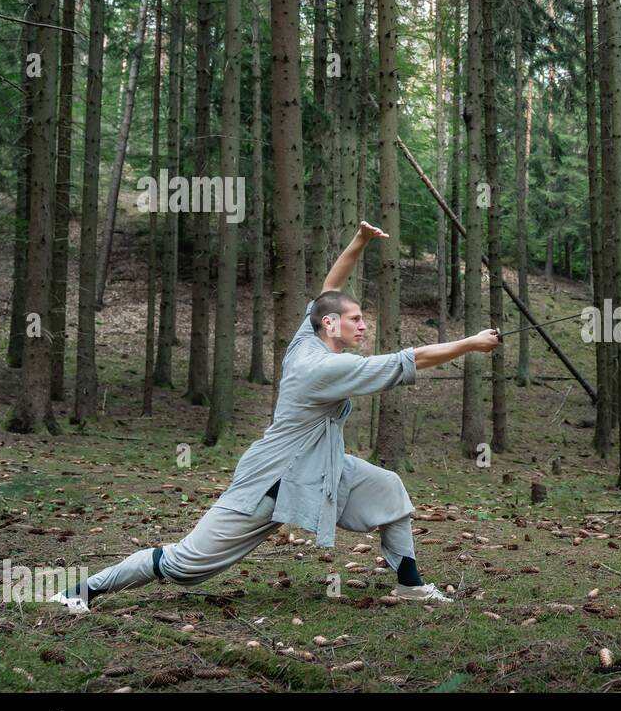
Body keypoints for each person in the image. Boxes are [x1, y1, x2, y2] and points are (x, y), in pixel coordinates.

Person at [52, 221, 501, 612]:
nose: (364, 326)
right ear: (332, 325)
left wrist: (360, 241)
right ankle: (83, 589)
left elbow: (329, 290)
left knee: (388, 488)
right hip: (273, 478)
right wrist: (470, 344)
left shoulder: (307, 337)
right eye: (357, 319)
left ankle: (410, 586)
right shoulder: (326, 367)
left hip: (321, 466)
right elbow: (412, 359)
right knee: (186, 566)